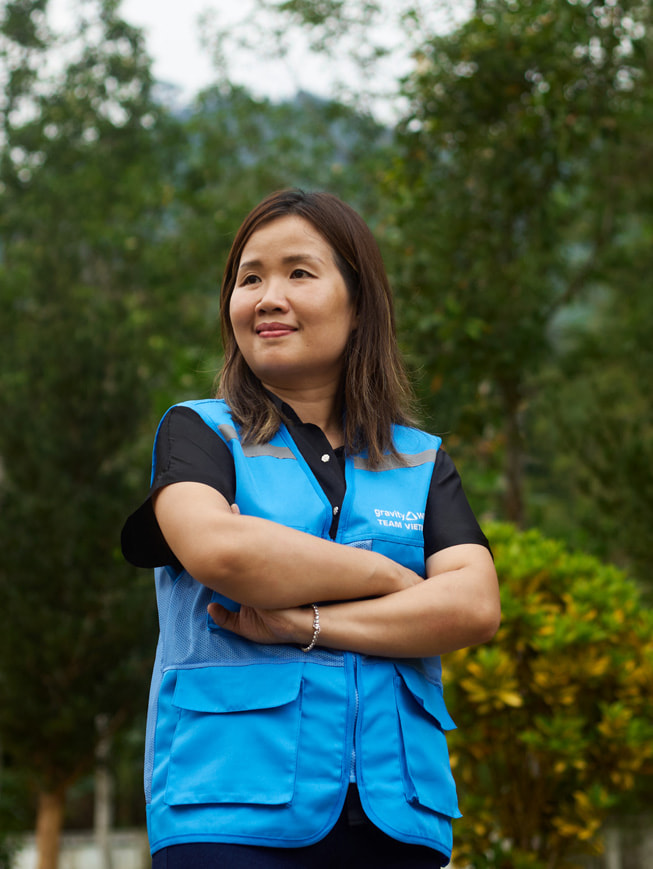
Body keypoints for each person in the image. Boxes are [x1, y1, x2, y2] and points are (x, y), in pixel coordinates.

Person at [121, 189, 500, 868]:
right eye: (249, 277)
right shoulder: (199, 433)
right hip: (229, 811)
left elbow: (473, 606)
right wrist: (393, 578)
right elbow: (223, 551)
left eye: (299, 272)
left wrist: (301, 620)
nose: (268, 296)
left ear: (359, 305)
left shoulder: (420, 458)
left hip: (396, 817)